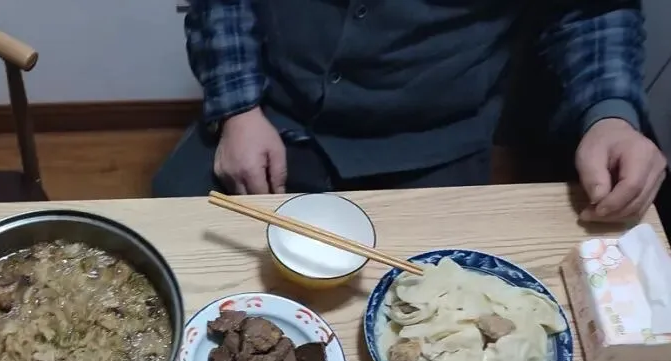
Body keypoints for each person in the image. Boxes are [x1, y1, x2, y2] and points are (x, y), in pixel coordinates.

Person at [152, 0, 667, 223]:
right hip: (271, 109)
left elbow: (591, 10)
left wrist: (610, 114)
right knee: (172, 252)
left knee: (437, 331)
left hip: (433, 139)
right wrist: (237, 107)